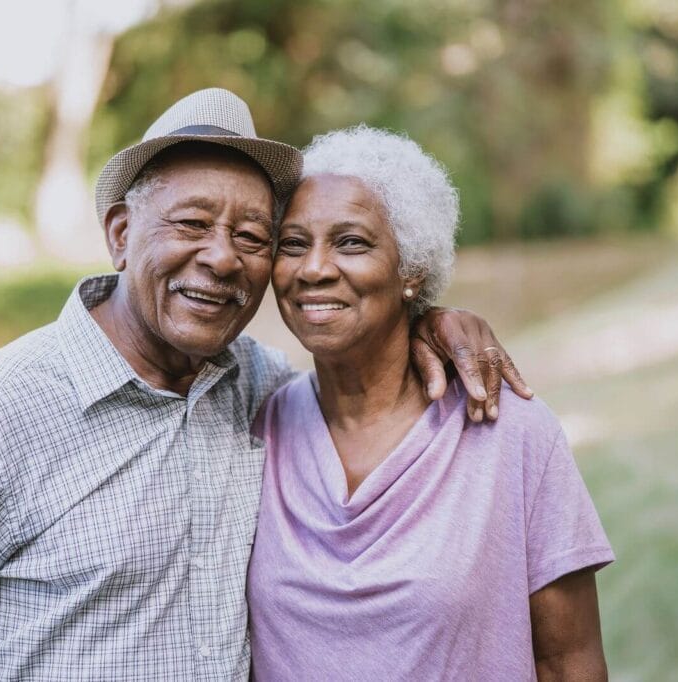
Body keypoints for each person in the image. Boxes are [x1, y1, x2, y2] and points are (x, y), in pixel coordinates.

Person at [0, 89, 530, 681]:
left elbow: (361, 359)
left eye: (254, 236)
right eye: (192, 223)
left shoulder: (259, 391)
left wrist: (426, 321)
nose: (221, 257)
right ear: (120, 232)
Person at [247, 126, 614, 681]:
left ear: (412, 271)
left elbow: (568, 659)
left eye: (351, 242)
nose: (313, 269)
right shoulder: (257, 424)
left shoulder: (509, 432)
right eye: (293, 244)